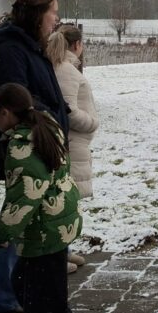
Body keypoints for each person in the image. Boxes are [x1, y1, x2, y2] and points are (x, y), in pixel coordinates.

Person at [0, 0, 69, 313]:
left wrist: (62, 110)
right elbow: (14, 100)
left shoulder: (32, 47)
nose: (57, 19)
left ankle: (35, 289)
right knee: (20, 220)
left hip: (43, 145)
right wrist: (48, 113)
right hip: (27, 150)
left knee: (41, 219)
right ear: (36, 15)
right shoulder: (10, 51)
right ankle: (7, 299)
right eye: (53, 12)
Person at [0, 83, 82, 313]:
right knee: (31, 284)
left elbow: (24, 197)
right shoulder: (44, 122)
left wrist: (2, 234)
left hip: (44, 228)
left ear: (5, 112)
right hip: (58, 219)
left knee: (41, 297)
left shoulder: (21, 146)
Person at [46, 25, 98, 273]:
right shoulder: (65, 70)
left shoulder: (61, 67)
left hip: (73, 142)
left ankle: (63, 251)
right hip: (72, 141)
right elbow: (67, 109)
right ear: (77, 45)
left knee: (65, 201)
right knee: (63, 202)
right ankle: (56, 257)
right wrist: (91, 123)